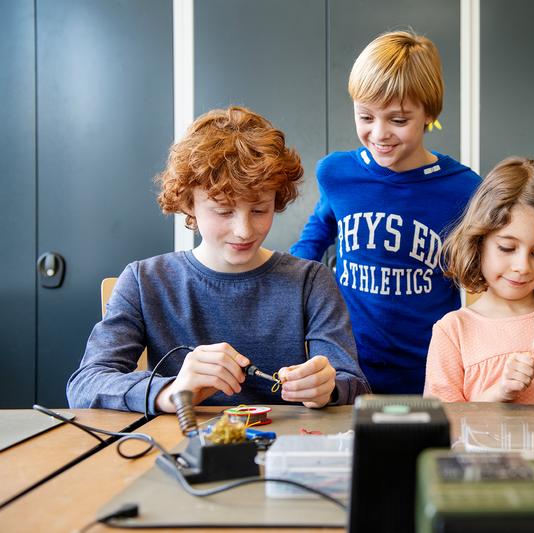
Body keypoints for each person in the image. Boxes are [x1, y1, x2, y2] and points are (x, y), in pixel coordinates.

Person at [67, 106, 370, 414]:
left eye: (260, 210)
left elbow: (354, 385)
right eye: (224, 211)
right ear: (188, 202)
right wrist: (171, 392)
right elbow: (86, 383)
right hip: (179, 451)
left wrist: (328, 388)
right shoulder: (145, 281)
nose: (244, 230)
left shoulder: (311, 281)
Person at [290, 30, 481, 394]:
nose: (379, 134)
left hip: (430, 369)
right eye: (365, 117)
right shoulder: (337, 174)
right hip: (347, 368)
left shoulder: (466, 188)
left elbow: (481, 274)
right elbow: (313, 239)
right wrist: (286, 294)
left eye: (398, 120)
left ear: (429, 114)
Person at [424, 157, 534, 403]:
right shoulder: (453, 331)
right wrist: (498, 393)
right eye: (506, 248)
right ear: (478, 242)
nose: (522, 267)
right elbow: (445, 427)